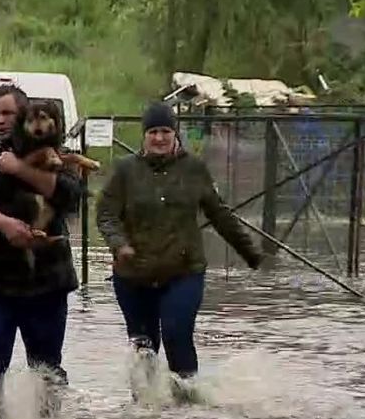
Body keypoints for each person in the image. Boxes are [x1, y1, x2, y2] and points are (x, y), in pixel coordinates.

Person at [96, 102, 263, 402]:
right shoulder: (125, 171)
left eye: (165, 131)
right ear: (144, 136)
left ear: (175, 134)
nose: (159, 138)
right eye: (153, 132)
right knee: (143, 347)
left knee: (177, 333)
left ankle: (186, 417)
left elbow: (219, 214)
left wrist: (250, 252)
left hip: (183, 271)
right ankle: (145, 418)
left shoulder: (193, 169)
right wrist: (119, 244)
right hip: (134, 275)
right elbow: (105, 214)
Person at [0, 83, 84, 419]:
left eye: (7, 113)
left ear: (26, 116)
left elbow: (71, 197)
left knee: (45, 365)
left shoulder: (61, 158)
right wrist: (4, 223)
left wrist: (20, 169)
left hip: (48, 279)